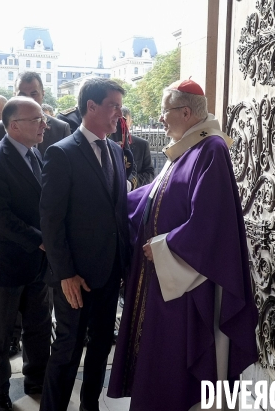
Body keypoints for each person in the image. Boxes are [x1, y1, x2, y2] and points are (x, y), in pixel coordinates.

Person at [107, 79, 258, 410]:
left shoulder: (211, 149)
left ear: (186, 112)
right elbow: (154, 197)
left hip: (188, 282)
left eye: (165, 111)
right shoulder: (189, 147)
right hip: (165, 277)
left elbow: (211, 223)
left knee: (179, 361)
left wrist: (164, 246)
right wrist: (110, 202)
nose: (161, 118)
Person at [39, 78, 131, 411]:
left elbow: (118, 211)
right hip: (76, 278)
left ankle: (89, 405)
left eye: (120, 107)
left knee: (101, 347)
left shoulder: (116, 151)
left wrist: (125, 263)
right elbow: (51, 221)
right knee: (68, 350)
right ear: (91, 107)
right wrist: (65, 274)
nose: (119, 115)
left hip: (109, 273)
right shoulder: (61, 153)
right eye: (113, 106)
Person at [0, 96, 51, 411]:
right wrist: (42, 240)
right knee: (1, 335)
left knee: (39, 326)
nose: (44, 124)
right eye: (38, 119)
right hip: (3, 264)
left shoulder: (37, 154)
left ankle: (36, 381)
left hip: (35, 263)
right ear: (14, 125)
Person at [0, 72, 70, 153]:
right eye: (22, 95)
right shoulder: (0, 128)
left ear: (43, 93)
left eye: (33, 94)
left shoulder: (61, 129)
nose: (28, 99)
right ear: (14, 95)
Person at [121, 106, 155, 188]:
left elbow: (150, 175)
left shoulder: (142, 145)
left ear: (130, 122)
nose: (121, 125)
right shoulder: (103, 144)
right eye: (119, 121)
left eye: (124, 120)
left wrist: (130, 184)